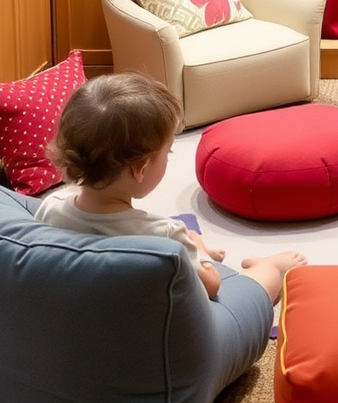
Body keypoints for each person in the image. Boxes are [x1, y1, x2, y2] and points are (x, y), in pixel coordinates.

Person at [35, 71, 305, 303]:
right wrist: (197, 247)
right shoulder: (164, 235)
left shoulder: (51, 206)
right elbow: (212, 286)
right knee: (256, 281)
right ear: (139, 168)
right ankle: (273, 266)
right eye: (168, 153)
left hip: (92, 313)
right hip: (186, 335)